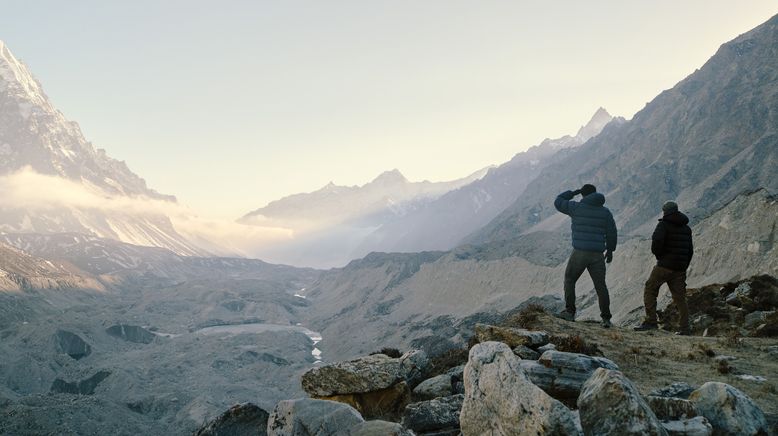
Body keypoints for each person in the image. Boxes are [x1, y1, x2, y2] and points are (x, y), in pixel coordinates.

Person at [554, 184, 617, 328]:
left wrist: (572, 193)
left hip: (580, 252)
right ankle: (606, 319)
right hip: (597, 254)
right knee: (600, 286)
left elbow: (558, 201)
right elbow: (612, 232)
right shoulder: (605, 212)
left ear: (583, 195)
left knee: (570, 280)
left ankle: (570, 312)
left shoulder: (576, 207)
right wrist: (611, 250)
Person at [634, 201, 693, 335]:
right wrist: (683, 265)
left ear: (665, 212)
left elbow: (656, 243)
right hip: (680, 268)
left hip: (664, 266)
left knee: (650, 289)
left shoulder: (663, 225)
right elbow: (690, 251)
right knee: (680, 298)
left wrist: (661, 257)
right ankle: (685, 328)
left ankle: (651, 322)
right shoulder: (686, 228)